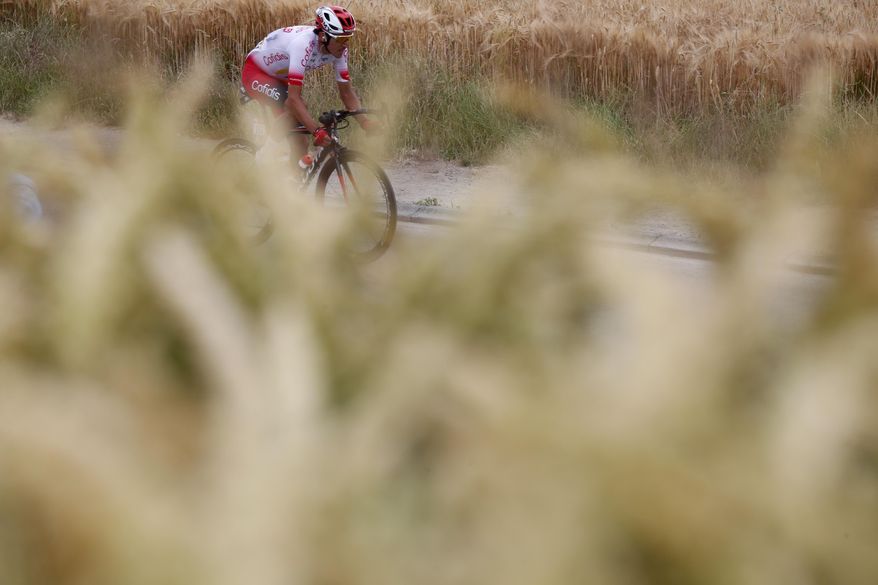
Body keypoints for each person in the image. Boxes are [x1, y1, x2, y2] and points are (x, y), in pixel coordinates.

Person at [240, 5, 377, 161]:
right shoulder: (303, 45)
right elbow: (293, 100)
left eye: (348, 38)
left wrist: (365, 122)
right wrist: (317, 131)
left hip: (280, 76)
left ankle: (290, 183)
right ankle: (262, 159)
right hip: (256, 72)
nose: (345, 44)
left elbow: (346, 93)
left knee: (301, 143)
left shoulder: (339, 49)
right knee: (297, 107)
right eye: (340, 38)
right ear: (323, 36)